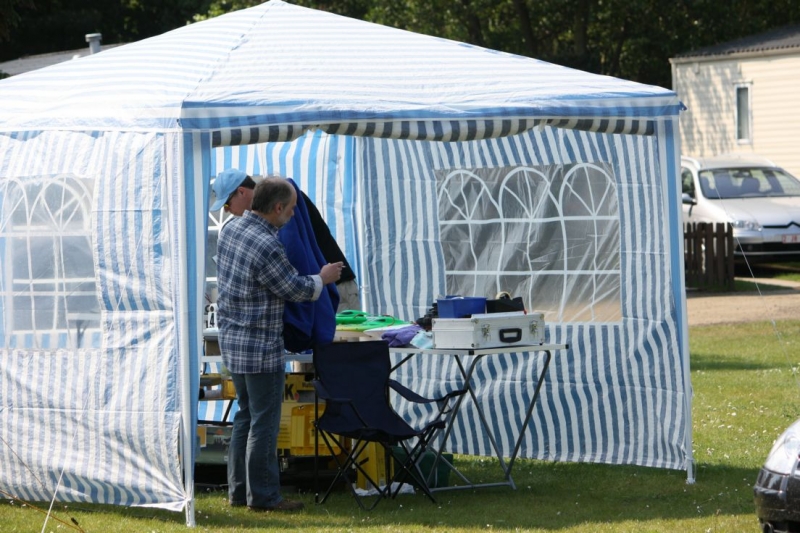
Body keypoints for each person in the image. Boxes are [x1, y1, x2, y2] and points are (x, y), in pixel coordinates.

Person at [214, 177, 343, 512]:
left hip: (233, 343)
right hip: (259, 348)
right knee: (265, 424)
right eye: (292, 208)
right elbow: (293, 289)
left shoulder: (231, 228)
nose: (294, 215)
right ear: (278, 207)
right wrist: (323, 278)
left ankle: (238, 492)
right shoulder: (267, 245)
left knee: (245, 417)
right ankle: (265, 497)